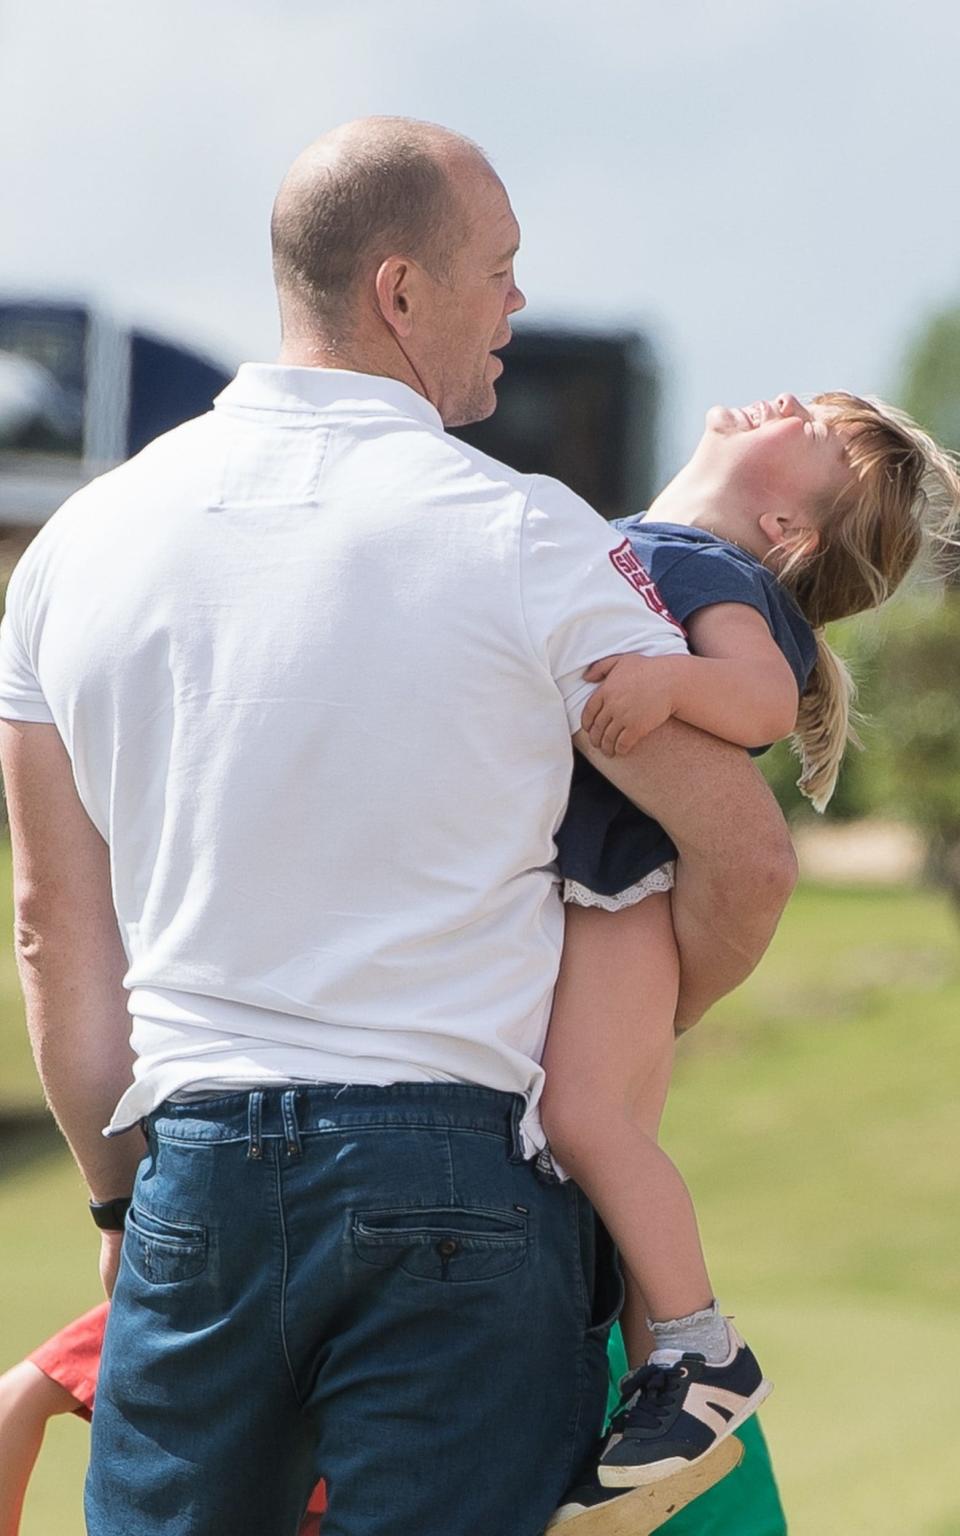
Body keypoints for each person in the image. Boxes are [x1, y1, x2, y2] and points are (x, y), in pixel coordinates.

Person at [0, 117, 798, 1536]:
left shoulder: (73, 550)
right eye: (498, 269)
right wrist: (619, 1057)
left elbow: (58, 933)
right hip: (463, 1190)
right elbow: (742, 853)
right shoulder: (535, 533)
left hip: (193, 1185)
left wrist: (124, 1212)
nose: (518, 306)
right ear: (400, 290)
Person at [539, 390, 960, 1491]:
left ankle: (698, 1348)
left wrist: (672, 681)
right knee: (611, 1132)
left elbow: (766, 702)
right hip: (598, 893)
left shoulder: (702, 569)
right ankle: (650, 1392)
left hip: (620, 896)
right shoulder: (636, 545)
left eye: (811, 430)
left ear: (788, 532)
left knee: (585, 1118)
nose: (784, 403)